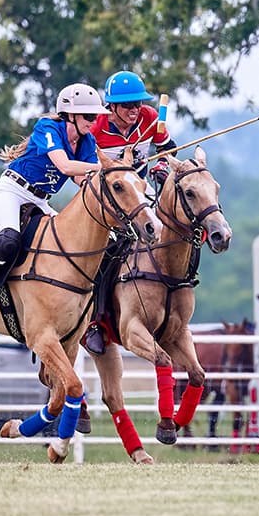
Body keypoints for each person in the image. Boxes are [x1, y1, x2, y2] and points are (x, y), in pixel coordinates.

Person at [0, 83, 108, 327]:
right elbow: (65, 166)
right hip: (12, 191)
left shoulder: (87, 142)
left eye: (96, 116)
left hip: (39, 199)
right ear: (70, 114)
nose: (94, 122)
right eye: (89, 116)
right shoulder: (48, 128)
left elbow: (81, 180)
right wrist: (105, 166)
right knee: (7, 239)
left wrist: (119, 176)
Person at [82, 70, 179, 354]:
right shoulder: (96, 127)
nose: (134, 110)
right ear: (111, 107)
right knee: (106, 249)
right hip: (106, 197)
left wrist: (162, 166)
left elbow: (167, 151)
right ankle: (96, 322)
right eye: (127, 105)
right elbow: (85, 169)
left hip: (139, 193)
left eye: (137, 104)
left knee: (170, 230)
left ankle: (173, 298)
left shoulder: (151, 118)